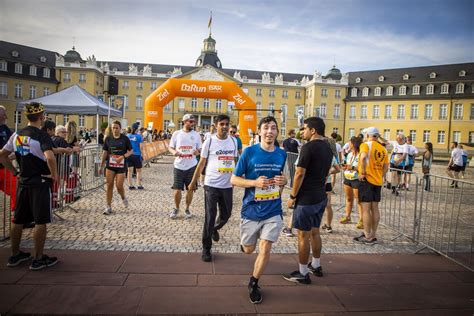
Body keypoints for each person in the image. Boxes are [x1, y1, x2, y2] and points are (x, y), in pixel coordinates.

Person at [231, 116, 287, 304]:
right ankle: (245, 244)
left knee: (265, 247)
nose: (270, 131)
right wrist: (254, 182)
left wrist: (284, 182)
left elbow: (282, 179)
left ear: (277, 132)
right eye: (266, 128)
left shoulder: (282, 154)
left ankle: (254, 283)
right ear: (259, 131)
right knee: (249, 249)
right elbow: (234, 179)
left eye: (273, 128)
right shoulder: (249, 153)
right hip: (251, 210)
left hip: (273, 210)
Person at [0, 102, 59, 270]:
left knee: (18, 219)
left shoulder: (16, 134)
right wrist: (54, 175)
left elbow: (2, 156)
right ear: (41, 117)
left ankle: (15, 254)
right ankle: (38, 258)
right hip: (39, 182)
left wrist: (15, 172)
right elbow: (50, 157)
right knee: (40, 220)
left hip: (23, 181)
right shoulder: (41, 135)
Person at [283, 117, 333, 284]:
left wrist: (292, 197)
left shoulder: (308, 147)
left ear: (313, 131)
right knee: (315, 232)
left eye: (304, 129)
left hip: (306, 199)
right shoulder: (328, 147)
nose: (301, 131)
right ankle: (316, 265)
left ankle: (303, 273)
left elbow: (299, 173)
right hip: (320, 196)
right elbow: (327, 173)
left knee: (303, 236)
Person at [189, 114, 238, 262]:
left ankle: (215, 229)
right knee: (210, 216)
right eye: (221, 124)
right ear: (216, 125)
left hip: (227, 185)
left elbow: (235, 161)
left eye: (226, 124)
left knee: (227, 214)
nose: (224, 127)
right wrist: (193, 182)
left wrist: (237, 177)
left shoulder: (234, 141)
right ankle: (206, 248)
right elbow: (201, 163)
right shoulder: (209, 141)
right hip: (211, 184)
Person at [354, 127, 389, 245]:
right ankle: (373, 234)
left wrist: (362, 172)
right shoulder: (383, 148)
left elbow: (363, 157)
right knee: (375, 208)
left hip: (367, 180)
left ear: (368, 135)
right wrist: (380, 175)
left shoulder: (365, 145)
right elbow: (385, 166)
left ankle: (367, 236)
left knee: (365, 209)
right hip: (377, 181)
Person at [168, 114, 202, 219]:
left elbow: (200, 148)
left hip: (191, 165)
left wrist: (198, 151)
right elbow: (170, 147)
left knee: (190, 189)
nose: (192, 123)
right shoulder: (177, 134)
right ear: (184, 122)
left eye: (193, 122)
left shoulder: (196, 135)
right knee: (177, 189)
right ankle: (176, 208)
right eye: (190, 121)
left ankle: (187, 209)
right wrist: (174, 152)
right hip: (179, 165)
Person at [100, 120, 133, 215]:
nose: (114, 130)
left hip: (121, 165)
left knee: (119, 186)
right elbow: (105, 152)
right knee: (109, 185)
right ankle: (108, 206)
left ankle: (123, 197)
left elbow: (131, 151)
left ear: (120, 128)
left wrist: (122, 157)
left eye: (116, 128)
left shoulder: (125, 139)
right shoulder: (108, 139)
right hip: (110, 165)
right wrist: (101, 165)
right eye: (113, 128)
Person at [340, 136, 363, 229]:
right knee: (349, 199)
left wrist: (352, 168)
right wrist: (345, 167)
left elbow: (363, 168)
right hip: (347, 178)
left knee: (359, 201)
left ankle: (362, 220)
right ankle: (347, 216)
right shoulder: (349, 154)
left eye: (349, 143)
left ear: (354, 144)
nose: (348, 145)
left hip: (356, 179)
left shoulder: (361, 155)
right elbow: (348, 164)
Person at [320, 155, 341, 233]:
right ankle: (328, 226)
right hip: (326, 182)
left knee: (314, 204)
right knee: (328, 205)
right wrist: (329, 172)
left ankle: (314, 227)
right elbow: (338, 169)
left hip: (316, 182)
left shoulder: (313, 151)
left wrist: (329, 172)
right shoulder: (330, 155)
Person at [126, 123, 144, 190]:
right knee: (138, 171)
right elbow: (141, 147)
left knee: (129, 171)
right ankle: (139, 185)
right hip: (137, 155)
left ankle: (130, 185)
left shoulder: (127, 136)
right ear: (137, 129)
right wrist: (143, 155)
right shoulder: (139, 136)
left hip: (129, 155)